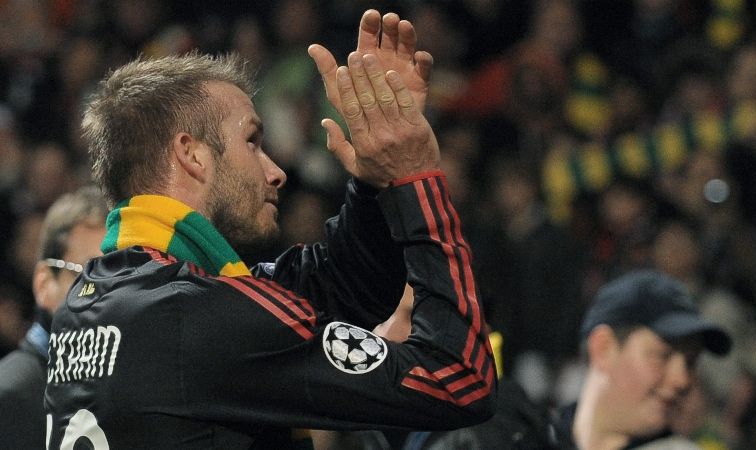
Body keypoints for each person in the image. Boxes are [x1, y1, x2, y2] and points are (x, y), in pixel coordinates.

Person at [44, 9, 496, 450]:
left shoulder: (93, 300)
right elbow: (458, 378)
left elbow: (338, 287)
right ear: (193, 154)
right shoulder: (199, 316)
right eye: (252, 141)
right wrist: (416, 178)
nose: (276, 170)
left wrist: (380, 178)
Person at [553, 270, 732, 450]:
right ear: (603, 348)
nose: (682, 380)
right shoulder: (537, 436)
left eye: (690, 362)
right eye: (663, 355)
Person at [0, 186, 107, 450]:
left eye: (120, 276)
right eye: (90, 275)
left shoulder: (114, 386)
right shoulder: (12, 395)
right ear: (44, 283)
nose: (107, 293)